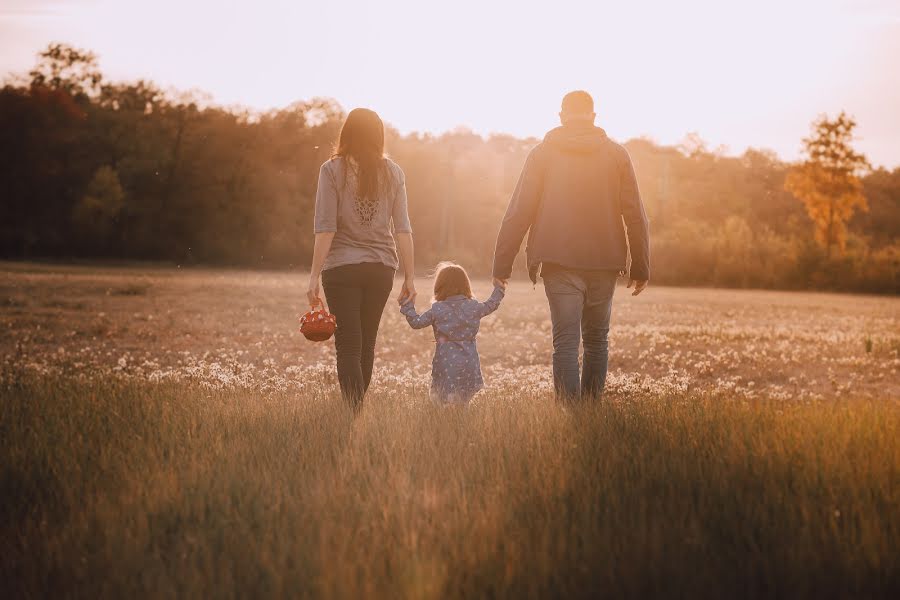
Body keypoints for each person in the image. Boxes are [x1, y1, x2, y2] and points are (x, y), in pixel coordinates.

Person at [492, 90, 650, 400]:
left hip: (557, 260)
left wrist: (502, 264)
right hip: (605, 261)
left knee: (565, 342)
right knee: (596, 341)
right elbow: (635, 213)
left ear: (562, 116)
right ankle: (590, 411)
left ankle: (570, 413)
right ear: (593, 115)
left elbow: (519, 211)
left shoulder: (542, 154)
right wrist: (641, 265)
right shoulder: (617, 155)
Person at [306, 108, 416, 411]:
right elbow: (403, 228)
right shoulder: (394, 172)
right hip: (382, 268)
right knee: (366, 343)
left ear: (347, 133)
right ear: (378, 136)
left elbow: (325, 228)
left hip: (341, 267)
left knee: (349, 345)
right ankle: (356, 412)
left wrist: (314, 275)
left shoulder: (332, 170)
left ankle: (352, 414)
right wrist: (409, 276)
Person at [399, 262, 505, 403]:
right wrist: (499, 287)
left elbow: (416, 323)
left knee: (442, 401)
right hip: (469, 361)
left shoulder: (437, 309)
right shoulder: (474, 307)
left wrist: (408, 303)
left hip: (445, 363)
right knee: (463, 402)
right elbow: (492, 304)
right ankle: (461, 422)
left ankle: (443, 422)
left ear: (439, 286)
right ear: (466, 285)